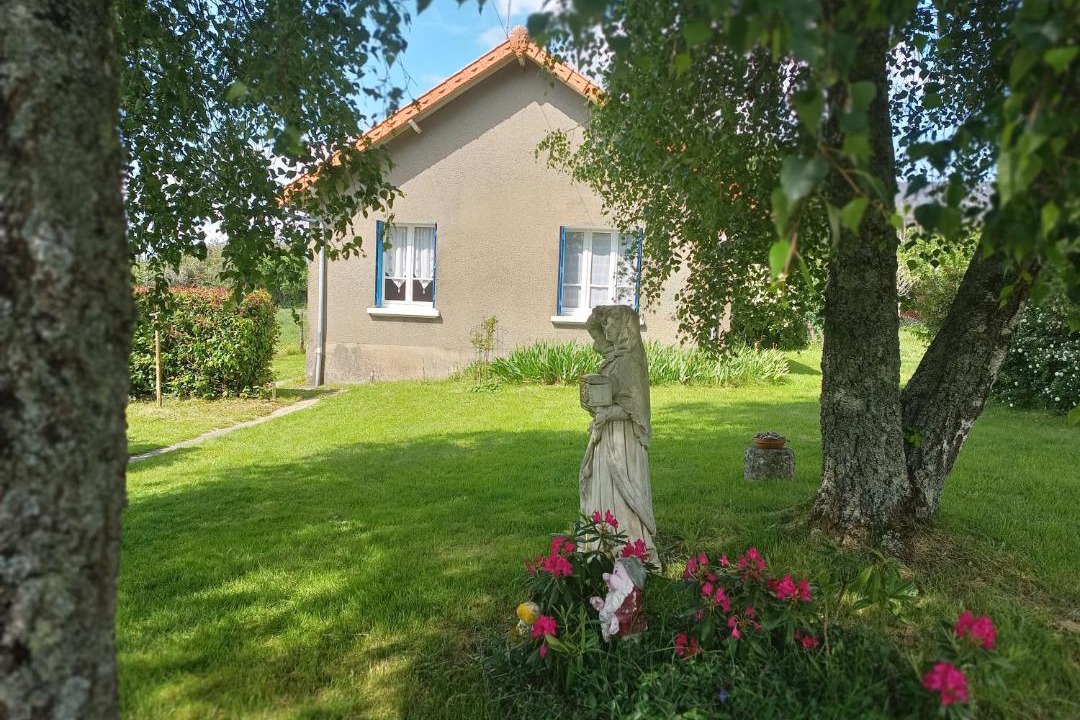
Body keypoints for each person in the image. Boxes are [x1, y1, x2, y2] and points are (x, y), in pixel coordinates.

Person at [579, 305, 656, 561]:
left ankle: (627, 541)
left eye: (613, 324)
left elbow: (636, 408)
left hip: (623, 438)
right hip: (608, 434)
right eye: (607, 324)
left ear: (625, 329)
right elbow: (593, 327)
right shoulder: (614, 354)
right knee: (604, 486)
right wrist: (600, 314)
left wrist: (608, 412)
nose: (607, 328)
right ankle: (604, 538)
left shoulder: (629, 362)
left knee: (622, 489)